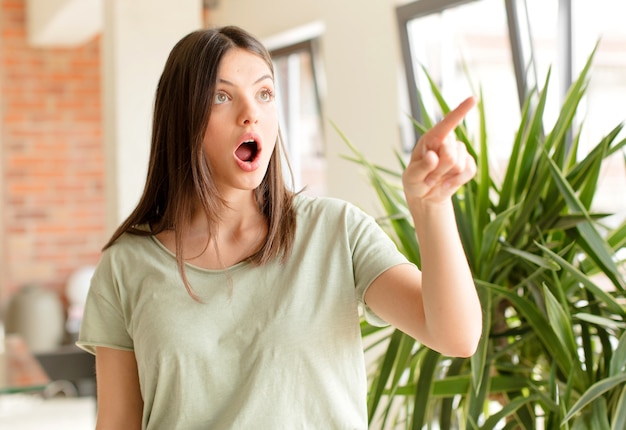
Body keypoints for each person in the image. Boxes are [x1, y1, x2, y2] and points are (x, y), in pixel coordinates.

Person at [77, 25, 482, 429]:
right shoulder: (126, 265)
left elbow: (455, 336)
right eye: (222, 96)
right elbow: (117, 421)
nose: (250, 112)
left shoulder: (336, 231)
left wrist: (432, 207)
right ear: (181, 117)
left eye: (264, 93)